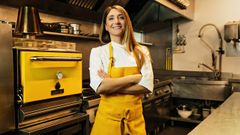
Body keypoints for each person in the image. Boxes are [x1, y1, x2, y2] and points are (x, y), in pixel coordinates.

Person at [89, 5, 153, 135]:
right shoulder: (98, 52)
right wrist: (134, 78)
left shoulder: (141, 51)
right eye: (111, 18)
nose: (116, 22)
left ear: (127, 23)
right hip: (107, 123)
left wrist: (111, 83)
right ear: (106, 26)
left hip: (135, 123)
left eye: (121, 17)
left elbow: (146, 87)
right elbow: (100, 88)